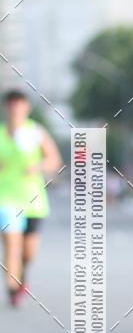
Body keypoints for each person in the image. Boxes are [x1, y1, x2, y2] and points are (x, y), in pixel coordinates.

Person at [0, 89, 62, 307]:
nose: (15, 108)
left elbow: (54, 160)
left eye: (20, 104)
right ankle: (11, 288)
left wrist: (38, 165)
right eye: (11, 104)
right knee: (11, 243)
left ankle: (22, 277)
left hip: (33, 200)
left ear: (27, 108)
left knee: (28, 252)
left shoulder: (36, 132)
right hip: (5, 198)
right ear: (6, 108)